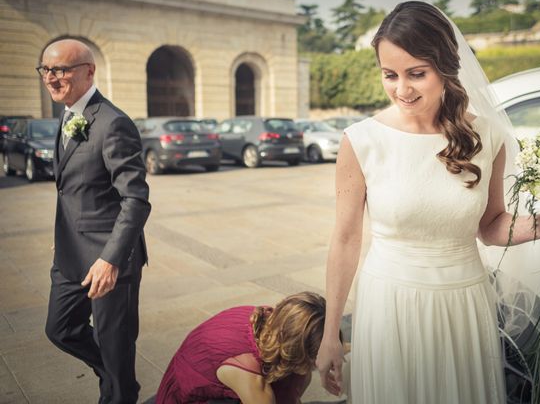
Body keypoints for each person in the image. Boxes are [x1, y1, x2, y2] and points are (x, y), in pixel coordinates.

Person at [315, 1, 540, 403]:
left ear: (445, 66)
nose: (402, 90)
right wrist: (330, 337)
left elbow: (492, 225)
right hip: (391, 305)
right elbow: (344, 240)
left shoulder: (488, 136)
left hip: (463, 303)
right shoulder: (361, 141)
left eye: (417, 74)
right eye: (389, 75)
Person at [42, 39, 151, 404]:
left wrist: (111, 259)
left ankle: (118, 389)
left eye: (61, 69)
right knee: (59, 329)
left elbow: (135, 199)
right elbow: (73, 190)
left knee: (115, 347)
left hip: (109, 261)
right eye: (46, 70)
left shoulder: (113, 122)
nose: (52, 77)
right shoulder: (68, 114)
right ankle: (113, 375)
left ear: (89, 71)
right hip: (71, 257)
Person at [156, 292, 334, 404]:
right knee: (297, 378)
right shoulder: (249, 374)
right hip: (189, 398)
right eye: (314, 360)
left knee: (297, 378)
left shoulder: (276, 323)